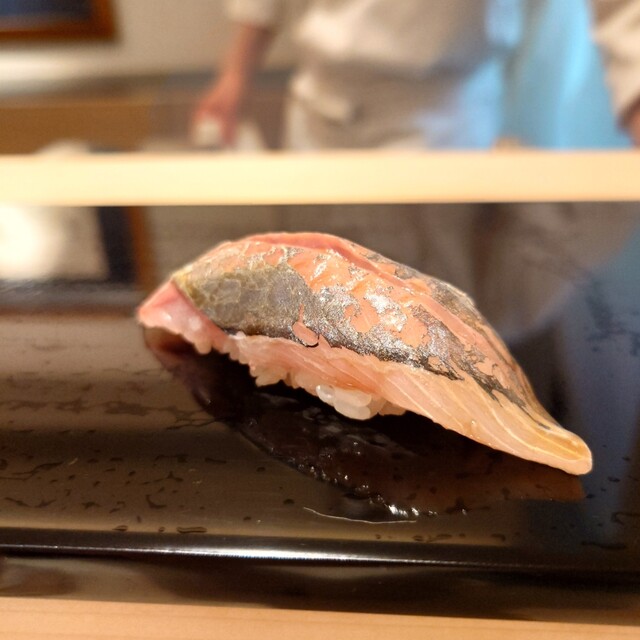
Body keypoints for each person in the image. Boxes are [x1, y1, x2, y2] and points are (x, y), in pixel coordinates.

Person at [193, 0, 640, 150]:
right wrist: (236, 73)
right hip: (317, 110)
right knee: (312, 299)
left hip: (439, 123)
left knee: (432, 311)